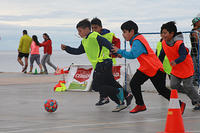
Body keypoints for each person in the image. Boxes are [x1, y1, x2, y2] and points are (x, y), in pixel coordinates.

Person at [112, 20, 186, 114]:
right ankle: (140, 105)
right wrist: (120, 53)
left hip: (154, 68)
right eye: (123, 32)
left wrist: (119, 51)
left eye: (124, 32)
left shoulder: (137, 40)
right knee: (134, 83)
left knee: (161, 90)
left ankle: (180, 104)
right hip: (147, 68)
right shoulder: (135, 40)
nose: (123, 34)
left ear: (132, 31)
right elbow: (133, 54)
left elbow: (132, 55)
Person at [61, 19, 127, 112]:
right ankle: (122, 101)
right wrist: (67, 48)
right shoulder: (84, 41)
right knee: (110, 83)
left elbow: (107, 43)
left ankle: (118, 92)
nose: (79, 33)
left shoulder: (94, 35)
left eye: (80, 31)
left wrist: (116, 53)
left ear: (87, 29)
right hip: (101, 64)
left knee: (96, 86)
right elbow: (78, 51)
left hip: (103, 63)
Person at [91, 17, 133, 106]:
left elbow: (117, 42)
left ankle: (107, 98)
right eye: (92, 28)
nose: (94, 30)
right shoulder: (93, 36)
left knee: (100, 83)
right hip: (98, 63)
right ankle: (126, 95)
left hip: (106, 62)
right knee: (109, 82)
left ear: (100, 27)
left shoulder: (108, 35)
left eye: (96, 28)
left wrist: (116, 53)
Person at [159, 21, 200, 110]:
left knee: (188, 86)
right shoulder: (164, 43)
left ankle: (197, 100)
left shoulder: (179, 43)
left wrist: (176, 61)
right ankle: (193, 95)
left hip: (186, 68)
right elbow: (162, 55)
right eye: (162, 33)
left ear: (172, 33)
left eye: (165, 33)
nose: (163, 35)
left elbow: (183, 55)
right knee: (173, 86)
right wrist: (158, 64)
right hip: (176, 69)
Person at [190, 17, 200, 86]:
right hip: (195, 52)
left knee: (196, 68)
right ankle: (193, 82)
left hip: (196, 52)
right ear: (196, 23)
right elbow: (198, 41)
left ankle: (194, 82)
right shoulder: (194, 31)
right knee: (195, 68)